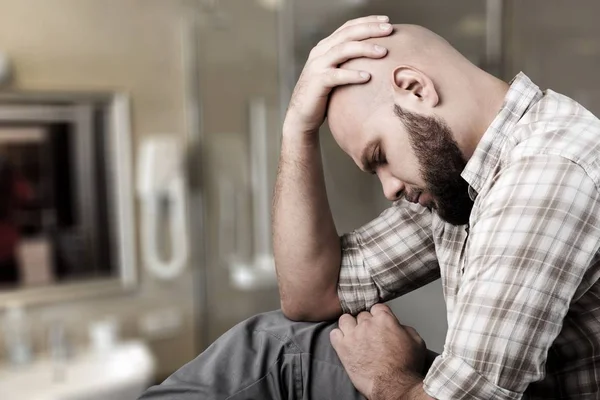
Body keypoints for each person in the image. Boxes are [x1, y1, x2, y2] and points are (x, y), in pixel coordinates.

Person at [140, 16, 600, 400]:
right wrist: (297, 130)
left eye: (379, 156)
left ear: (416, 88)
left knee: (279, 354)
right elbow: (310, 297)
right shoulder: (469, 179)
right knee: (279, 343)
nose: (389, 189)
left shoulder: (548, 171)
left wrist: (392, 381)